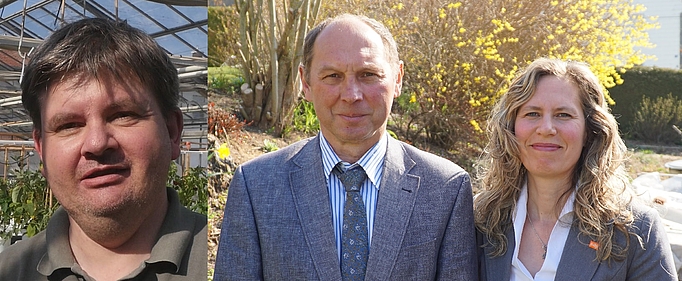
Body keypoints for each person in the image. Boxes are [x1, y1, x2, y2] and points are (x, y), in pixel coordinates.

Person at [214, 14, 477, 280]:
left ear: (397, 79)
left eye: (368, 74)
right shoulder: (256, 186)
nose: (351, 95)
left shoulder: (446, 189)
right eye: (333, 76)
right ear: (305, 83)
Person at [0, 18, 207, 280]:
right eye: (69, 125)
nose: (97, 144)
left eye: (122, 115)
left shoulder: (223, 257)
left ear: (172, 132)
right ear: (41, 149)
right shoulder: (10, 270)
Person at [474, 58, 677, 280]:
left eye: (563, 115)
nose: (546, 128)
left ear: (589, 131)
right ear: (511, 128)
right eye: (532, 113)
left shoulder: (635, 231)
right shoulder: (480, 221)